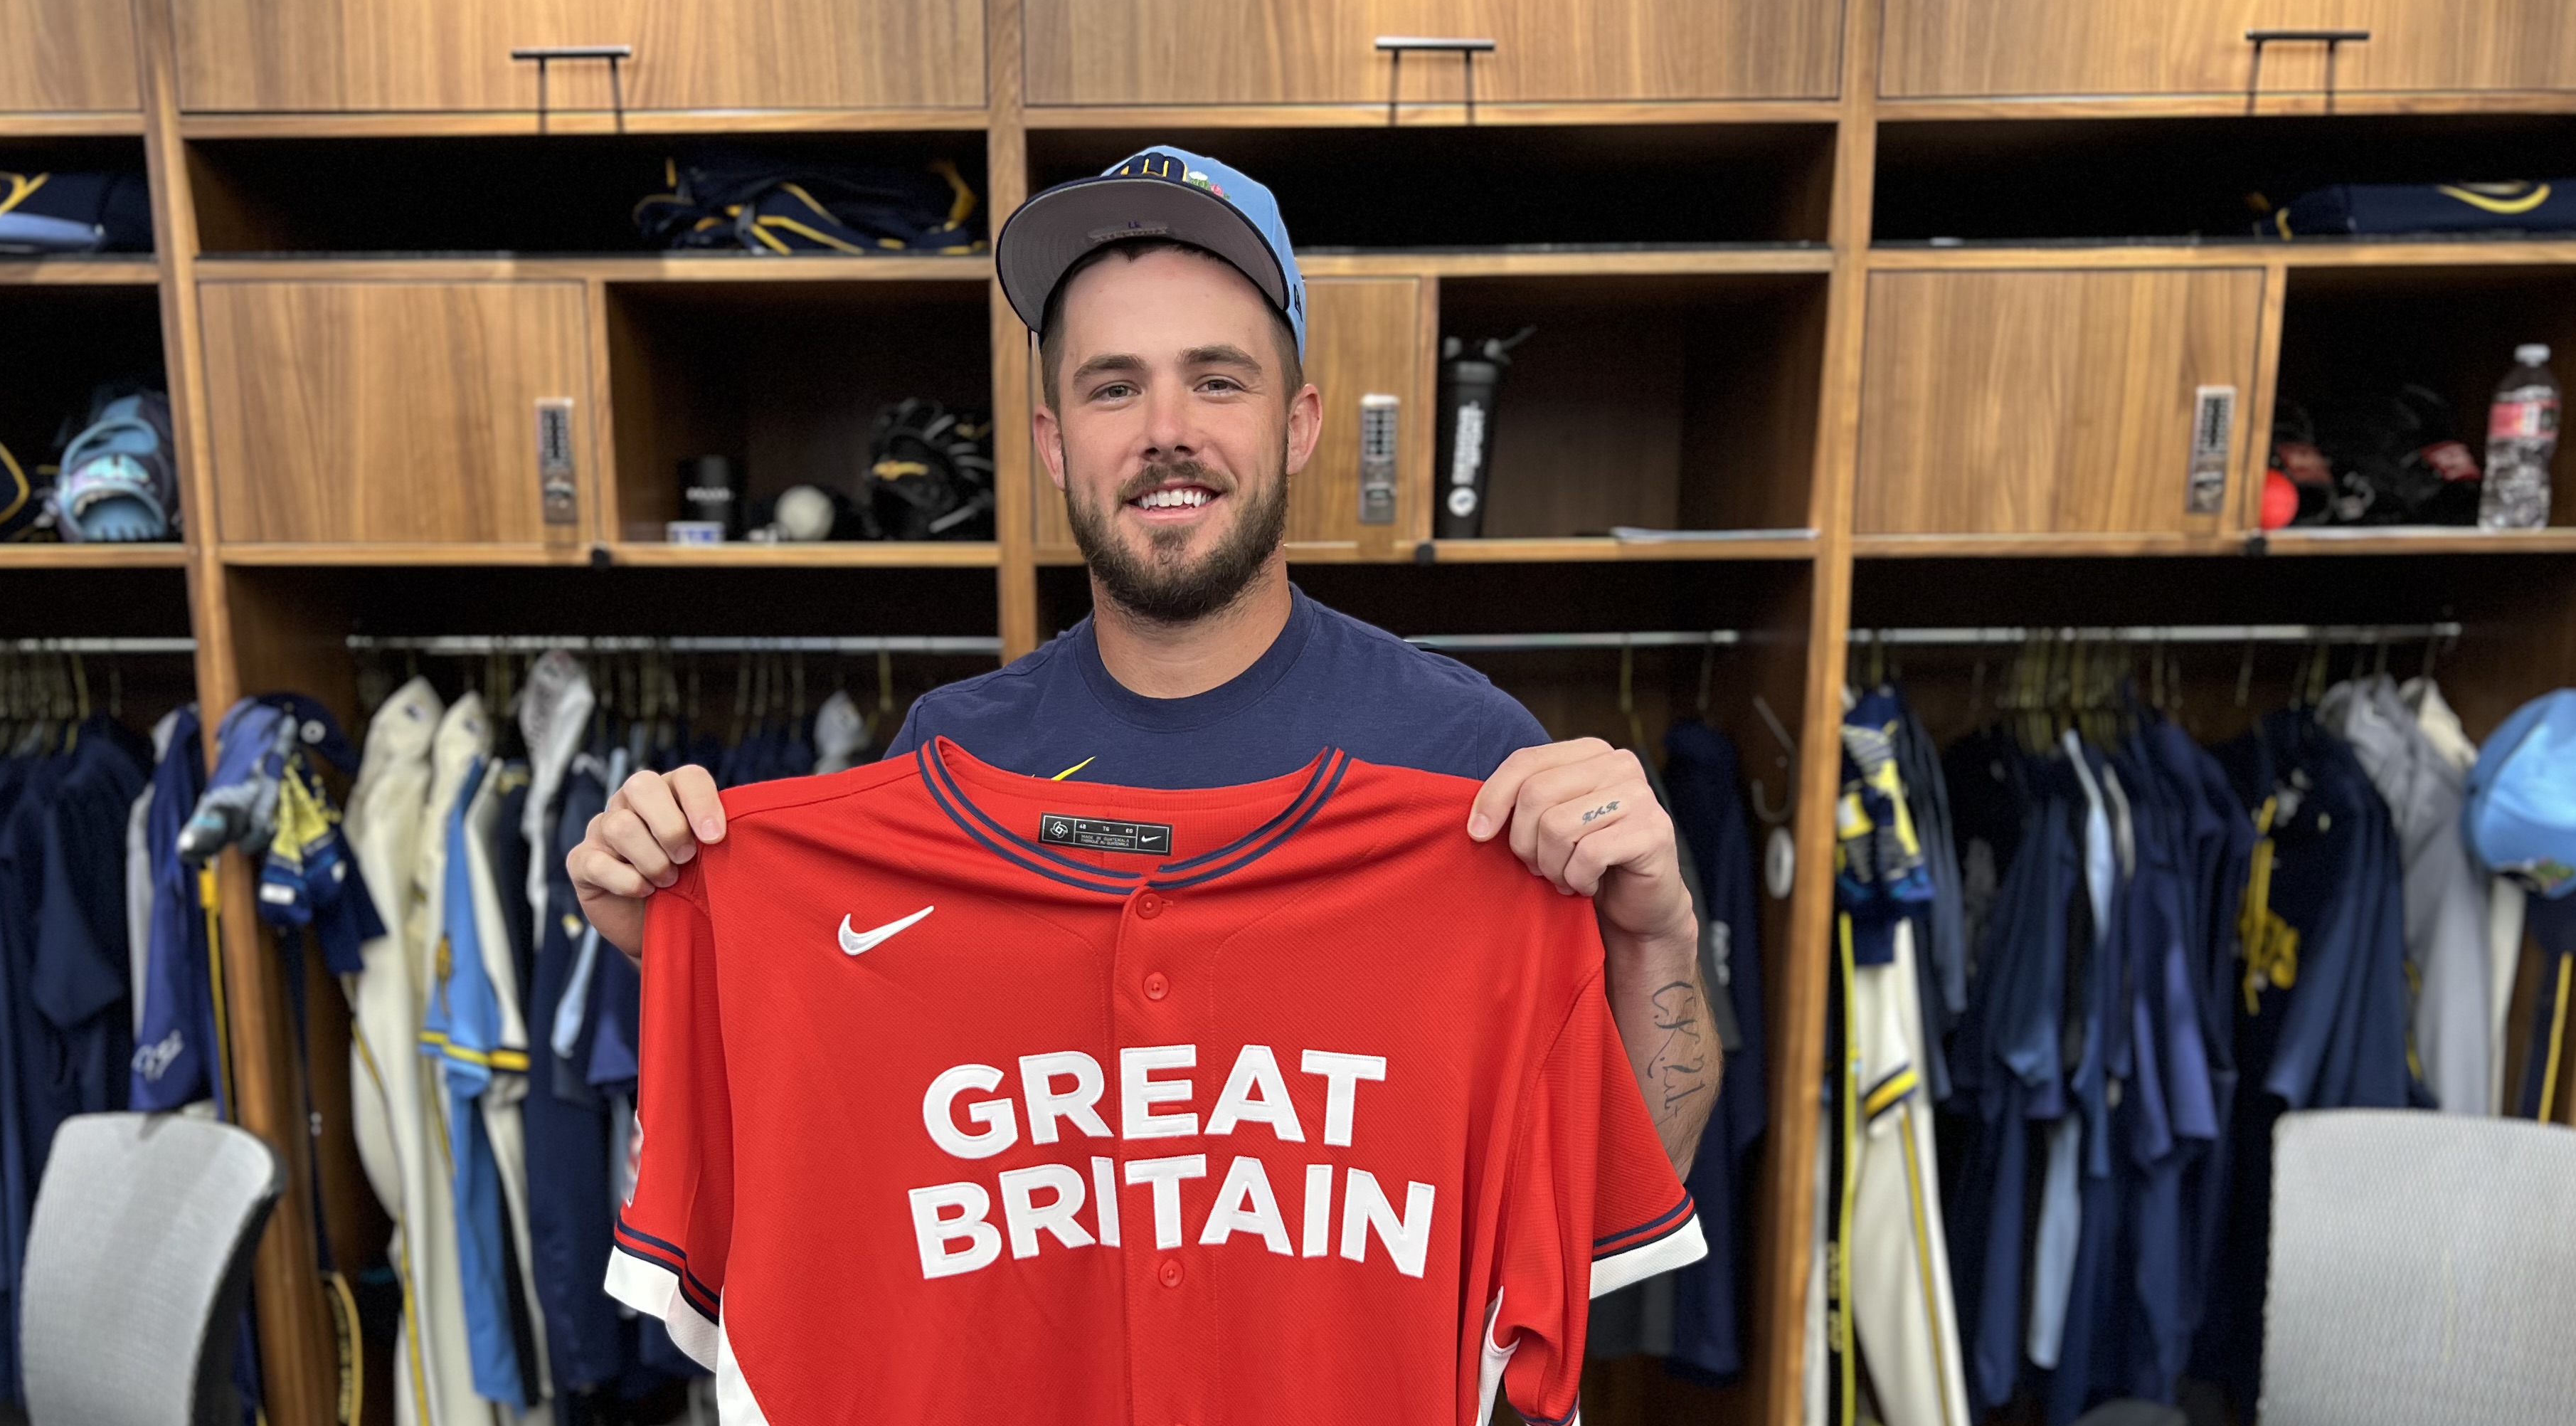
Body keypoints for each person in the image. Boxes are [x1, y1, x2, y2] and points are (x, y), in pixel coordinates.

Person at [571, 145, 1720, 1176]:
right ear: (1054, 444)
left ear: (1300, 425)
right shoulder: (953, 756)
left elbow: (1627, 1187)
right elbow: (847, 1151)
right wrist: (678, 945)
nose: (1167, 427)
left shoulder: (1470, 758)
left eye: (1218, 381)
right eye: (1114, 386)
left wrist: (1654, 929)